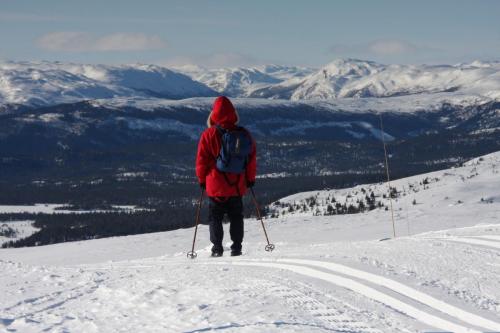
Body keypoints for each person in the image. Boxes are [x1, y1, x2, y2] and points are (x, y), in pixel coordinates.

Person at [196, 96, 257, 257]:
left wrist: (202, 180)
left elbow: (201, 161)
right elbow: (251, 159)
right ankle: (236, 247)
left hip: (215, 185)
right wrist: (250, 179)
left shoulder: (209, 134)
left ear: (213, 115)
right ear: (234, 114)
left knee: (215, 217)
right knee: (236, 216)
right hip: (237, 184)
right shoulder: (244, 134)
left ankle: (217, 248)